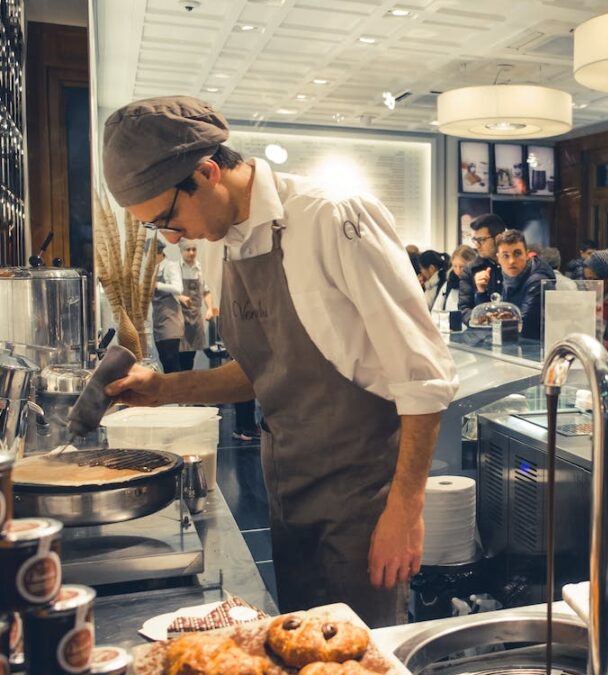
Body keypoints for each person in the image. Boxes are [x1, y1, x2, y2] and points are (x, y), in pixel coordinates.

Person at [99, 96, 457, 627]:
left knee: (362, 652)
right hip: (288, 487)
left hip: (361, 495)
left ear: (207, 172)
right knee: (300, 644)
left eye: (168, 219)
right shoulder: (227, 236)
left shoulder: (332, 216)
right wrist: (163, 387)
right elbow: (265, 370)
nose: (172, 238)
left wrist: (405, 509)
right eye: (156, 229)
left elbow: (424, 376)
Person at [475, 230, 554, 339]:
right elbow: (488, 319)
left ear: (527, 255)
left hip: (534, 349)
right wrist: (481, 292)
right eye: (505, 255)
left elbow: (522, 327)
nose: (511, 261)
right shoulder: (508, 277)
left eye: (517, 254)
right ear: (498, 258)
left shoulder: (538, 282)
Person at [178, 239, 217, 371]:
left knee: (190, 358)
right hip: (178, 320)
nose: (191, 253)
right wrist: (179, 296)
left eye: (194, 249)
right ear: (181, 251)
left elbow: (206, 292)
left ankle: (189, 388)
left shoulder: (201, 269)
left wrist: (210, 308)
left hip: (195, 319)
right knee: (178, 360)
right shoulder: (175, 269)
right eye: (188, 250)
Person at [458, 213, 506, 317]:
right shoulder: (470, 269)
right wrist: (482, 321)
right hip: (480, 331)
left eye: (482, 240)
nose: (477, 246)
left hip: (512, 329)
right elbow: (463, 309)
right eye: (475, 240)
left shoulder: (512, 266)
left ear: (498, 238)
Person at [151, 238, 185, 373]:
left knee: (171, 362)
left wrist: (157, 285)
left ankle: (177, 393)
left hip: (170, 322)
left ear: (158, 252)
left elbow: (178, 288)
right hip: (159, 321)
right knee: (165, 360)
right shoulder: (155, 269)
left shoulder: (170, 266)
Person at [432, 245, 475, 313]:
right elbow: (436, 309)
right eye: (455, 266)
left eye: (462, 267)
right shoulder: (449, 283)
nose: (458, 271)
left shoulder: (478, 283)